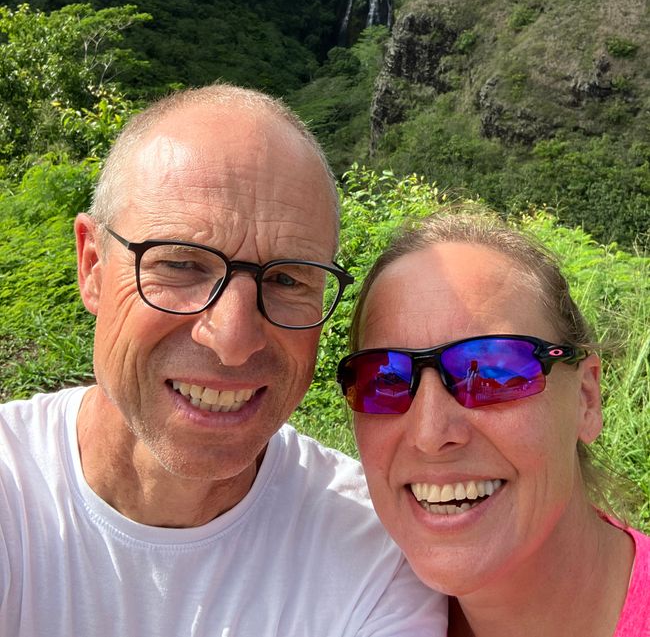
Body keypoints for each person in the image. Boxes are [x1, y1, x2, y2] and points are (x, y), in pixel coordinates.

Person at [0, 84, 447, 636]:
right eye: (182, 265)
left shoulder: (374, 559)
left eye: (286, 279)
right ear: (92, 265)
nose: (233, 339)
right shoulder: (11, 494)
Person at [337, 209, 650, 637]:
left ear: (586, 399)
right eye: (384, 379)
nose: (430, 434)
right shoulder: (350, 605)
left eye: (491, 373)